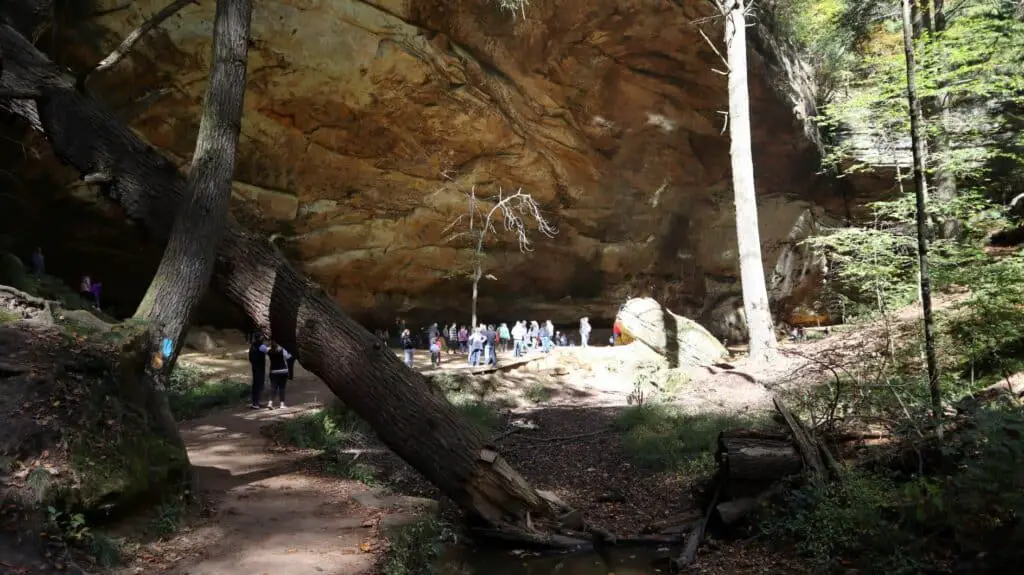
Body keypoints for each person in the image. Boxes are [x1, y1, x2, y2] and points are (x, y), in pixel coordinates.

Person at [262, 341, 292, 409]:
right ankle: (282, 404)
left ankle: (270, 403)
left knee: (273, 388)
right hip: (283, 371)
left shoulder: (269, 351)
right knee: (282, 388)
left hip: (273, 371)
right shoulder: (282, 350)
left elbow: (263, 348)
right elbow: (288, 357)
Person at [248, 330, 267, 409]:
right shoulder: (262, 346)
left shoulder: (252, 346)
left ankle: (255, 402)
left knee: (256, 384)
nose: (263, 338)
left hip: (255, 367)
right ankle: (256, 403)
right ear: (260, 338)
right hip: (260, 367)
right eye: (262, 336)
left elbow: (250, 358)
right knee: (259, 384)